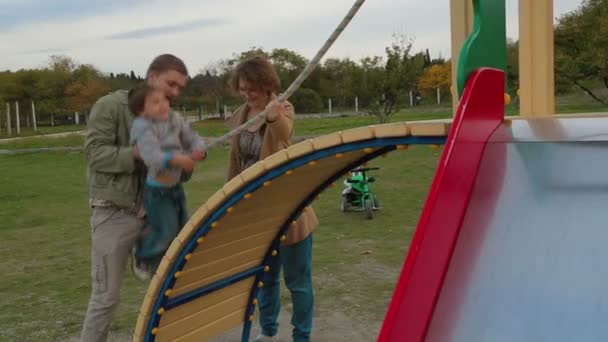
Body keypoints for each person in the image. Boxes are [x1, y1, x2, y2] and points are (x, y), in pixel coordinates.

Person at [81, 54, 188, 342]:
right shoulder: (110, 106)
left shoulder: (172, 117)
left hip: (157, 217)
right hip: (113, 213)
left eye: (180, 88)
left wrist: (182, 161)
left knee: (171, 288)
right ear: (151, 77)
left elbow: (179, 174)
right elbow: (94, 154)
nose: (175, 93)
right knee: (105, 297)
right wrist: (138, 153)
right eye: (171, 84)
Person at [226, 56, 319, 342]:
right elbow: (236, 162)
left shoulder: (283, 107)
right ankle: (268, 332)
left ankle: (301, 336)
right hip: (257, 212)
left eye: (251, 88)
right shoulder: (241, 114)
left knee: (298, 282)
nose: (246, 93)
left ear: (266, 85)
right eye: (242, 88)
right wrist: (228, 199)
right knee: (265, 279)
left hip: (288, 211)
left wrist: (273, 115)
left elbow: (285, 135)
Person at [128, 83, 207, 280]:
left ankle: (178, 268)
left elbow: (191, 137)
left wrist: (199, 148)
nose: (163, 105)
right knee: (166, 231)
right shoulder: (142, 126)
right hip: (157, 192)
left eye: (164, 100)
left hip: (175, 187)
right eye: (155, 102)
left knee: (182, 230)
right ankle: (141, 252)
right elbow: (151, 155)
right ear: (142, 111)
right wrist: (176, 159)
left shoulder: (174, 118)